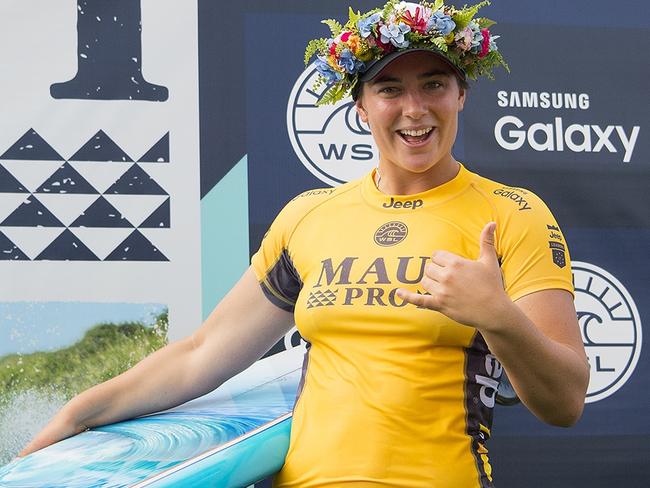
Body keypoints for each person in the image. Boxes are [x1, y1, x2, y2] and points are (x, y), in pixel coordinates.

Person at [21, 1, 589, 487]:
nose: (414, 110)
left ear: (461, 94)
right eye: (389, 89)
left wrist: (498, 317)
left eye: (433, 85)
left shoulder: (512, 214)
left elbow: (564, 403)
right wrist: (80, 413)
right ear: (361, 107)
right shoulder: (309, 216)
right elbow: (201, 356)